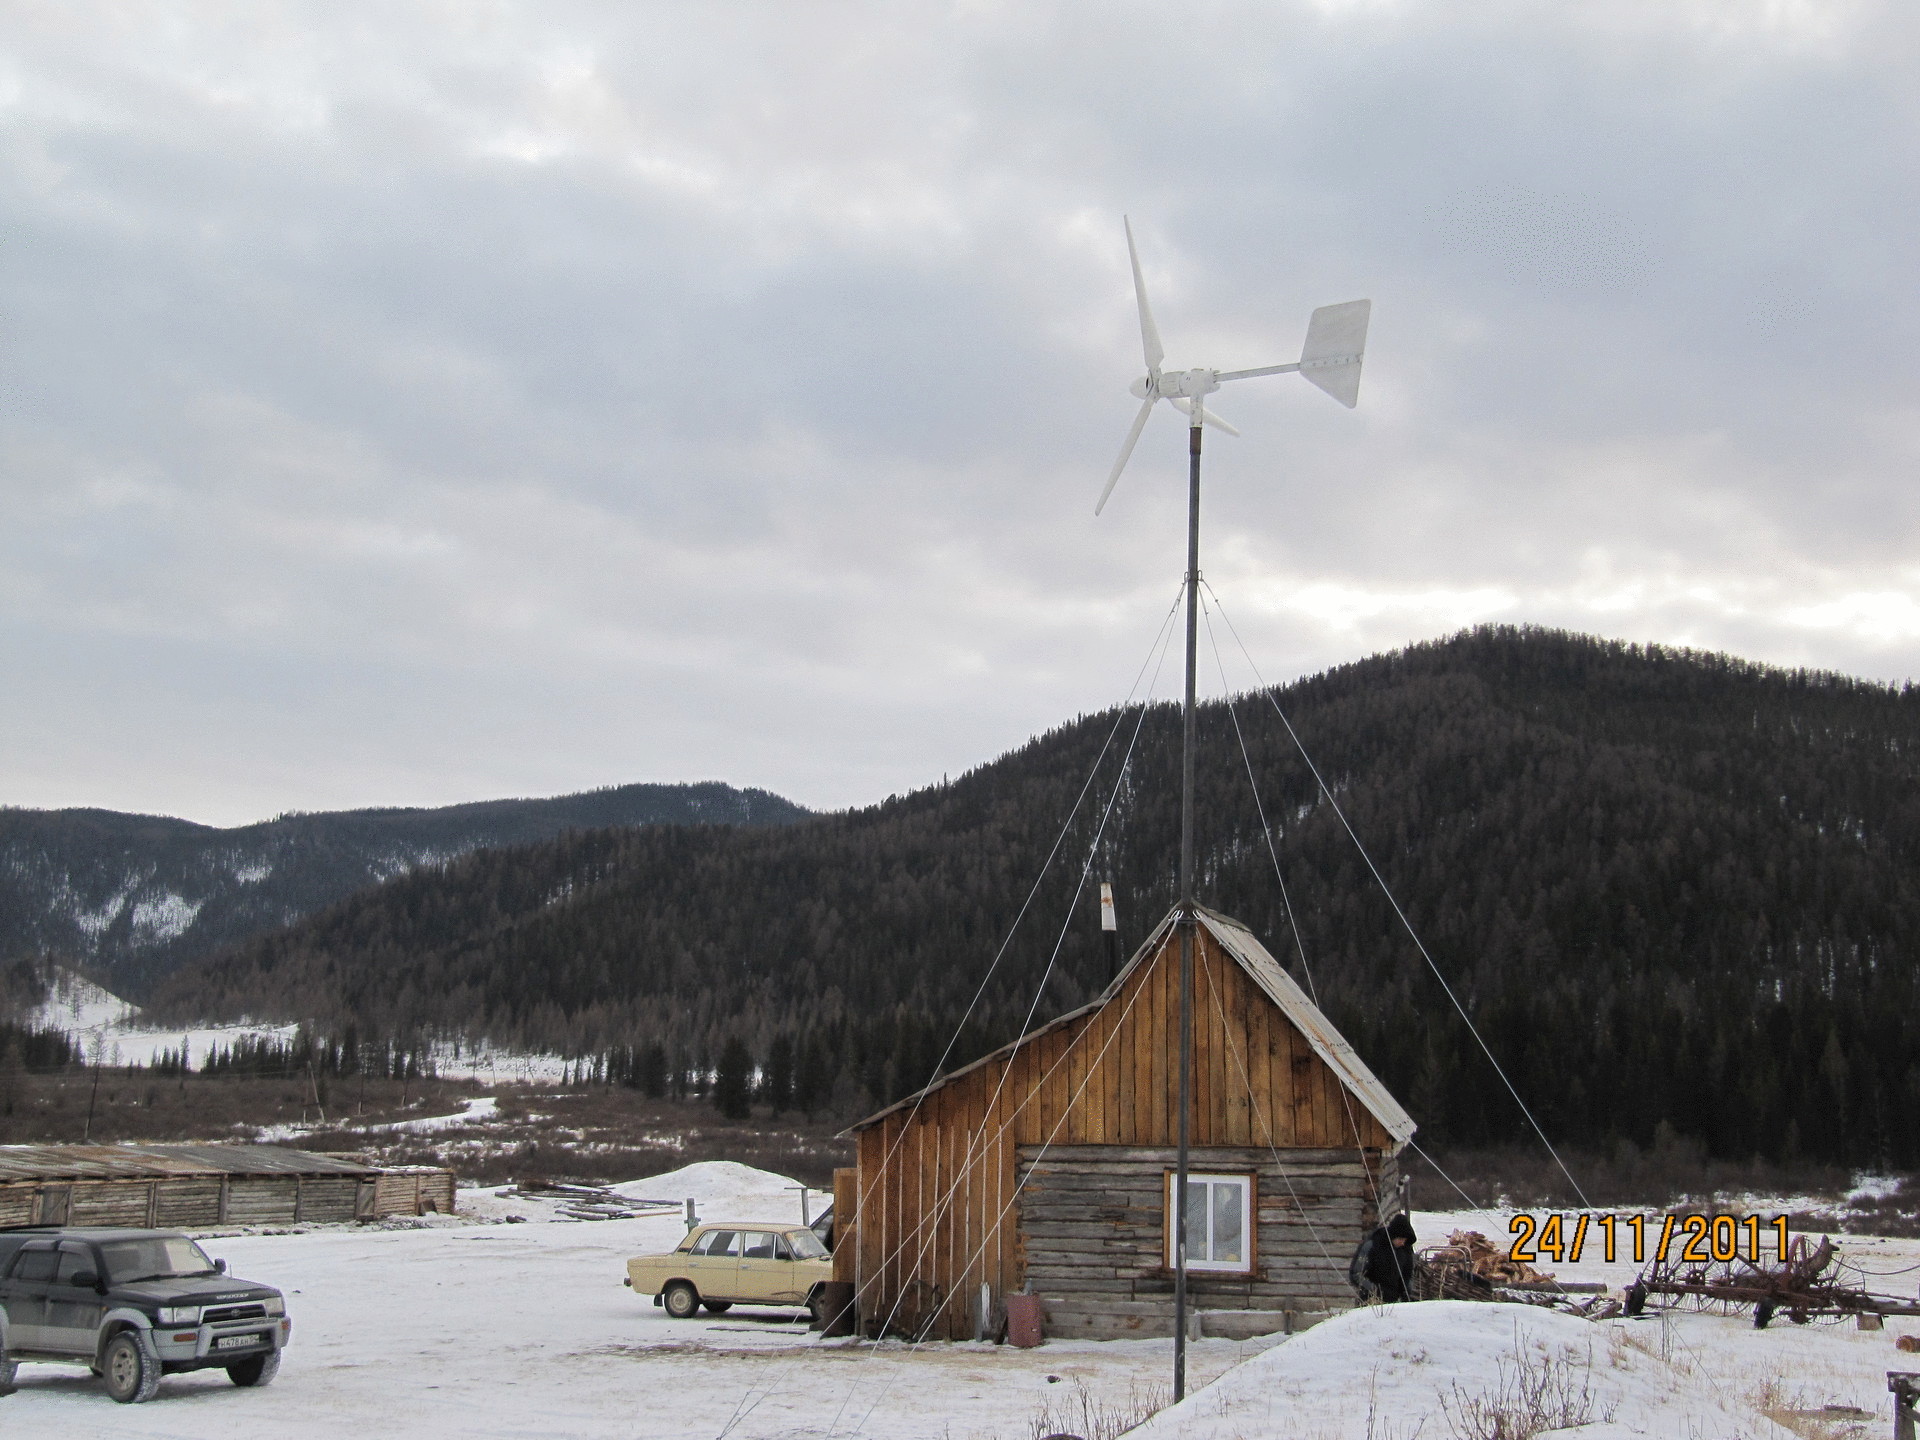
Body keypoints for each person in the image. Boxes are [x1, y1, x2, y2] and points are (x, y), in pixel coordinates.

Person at [1348, 1212, 1419, 1303]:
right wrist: (1375, 1291)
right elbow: (1357, 1274)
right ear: (1393, 1236)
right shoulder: (1372, 1245)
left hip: (1395, 1302)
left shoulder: (1405, 1250)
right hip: (1370, 1301)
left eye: (1405, 1240)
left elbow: (1408, 1275)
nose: (1403, 1243)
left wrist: (1406, 1292)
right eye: (1400, 1239)